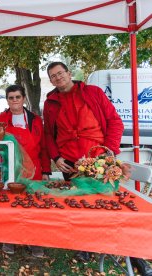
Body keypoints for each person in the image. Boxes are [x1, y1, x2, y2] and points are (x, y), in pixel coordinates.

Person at [43, 61, 124, 263]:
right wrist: (56, 157)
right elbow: (48, 134)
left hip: (98, 160)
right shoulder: (50, 102)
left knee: (103, 203)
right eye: (53, 76)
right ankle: (83, 246)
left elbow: (115, 121)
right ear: (51, 80)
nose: (57, 77)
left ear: (69, 73)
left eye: (60, 73)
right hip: (69, 162)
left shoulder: (93, 92)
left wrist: (109, 152)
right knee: (77, 204)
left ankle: (108, 241)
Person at [0, 84, 51, 257]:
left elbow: (44, 146)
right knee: (9, 205)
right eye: (11, 98)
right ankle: (10, 238)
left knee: (33, 205)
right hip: (9, 170)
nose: (14, 100)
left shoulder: (35, 120)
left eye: (17, 97)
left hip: (34, 171)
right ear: (7, 100)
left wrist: (46, 170)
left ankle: (34, 241)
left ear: (23, 98)